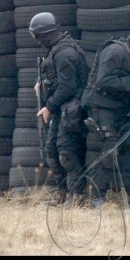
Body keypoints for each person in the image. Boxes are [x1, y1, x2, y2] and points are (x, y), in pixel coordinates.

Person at [80, 21, 130, 207]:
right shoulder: (116, 51)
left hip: (121, 110)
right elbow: (104, 80)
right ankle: (98, 198)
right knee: (108, 150)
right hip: (103, 107)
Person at [31, 12, 89, 202]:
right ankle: (61, 193)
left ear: (43, 34)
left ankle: (77, 196)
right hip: (62, 109)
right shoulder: (57, 50)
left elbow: (68, 87)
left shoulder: (65, 53)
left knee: (67, 153)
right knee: (52, 152)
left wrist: (48, 106)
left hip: (71, 109)